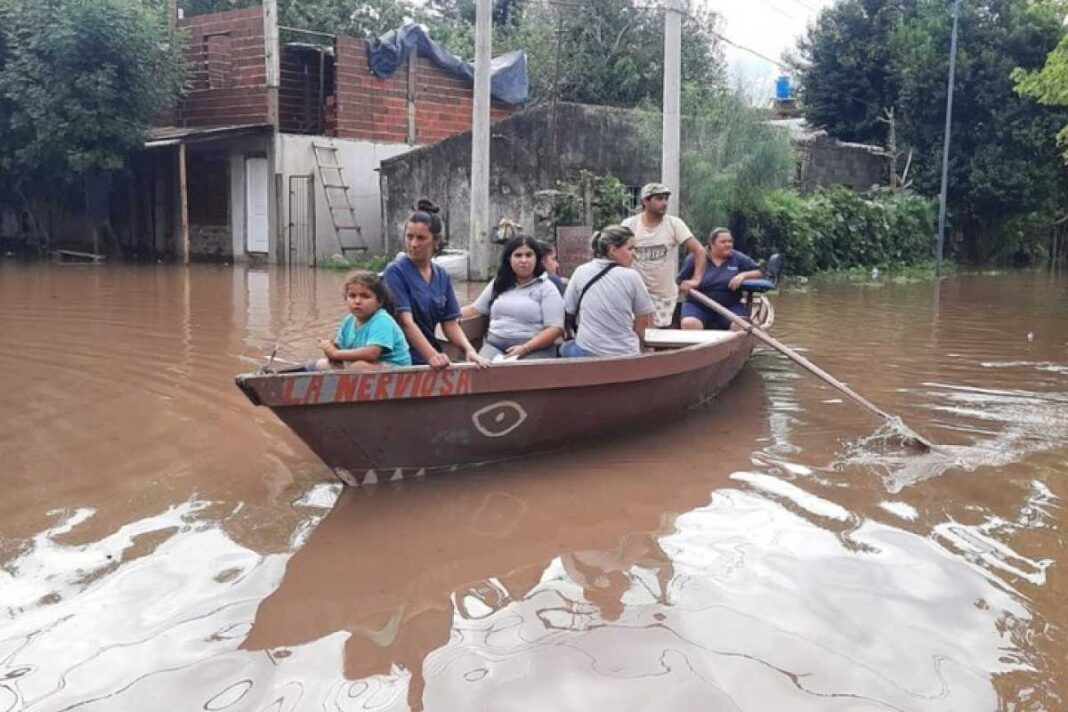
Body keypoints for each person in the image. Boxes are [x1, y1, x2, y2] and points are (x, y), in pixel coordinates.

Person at [383, 202, 490, 369]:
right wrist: (432, 356)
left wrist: (469, 349)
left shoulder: (441, 275)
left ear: (436, 240)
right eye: (409, 237)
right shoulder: (395, 272)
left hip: (429, 355)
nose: (413, 244)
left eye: (421, 238)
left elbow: (450, 323)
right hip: (400, 357)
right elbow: (406, 322)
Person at [462, 235, 565, 360]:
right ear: (509, 259)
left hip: (535, 348)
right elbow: (475, 309)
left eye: (528, 255)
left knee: (519, 376)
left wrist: (525, 348)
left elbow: (555, 328)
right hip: (495, 346)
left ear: (536, 258)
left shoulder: (546, 288)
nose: (524, 260)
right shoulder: (499, 283)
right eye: (518, 255)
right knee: (482, 372)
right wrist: (446, 316)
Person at [561, 225, 655, 358]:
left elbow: (568, 311)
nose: (634, 254)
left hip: (587, 351)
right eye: (630, 248)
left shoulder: (581, 271)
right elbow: (644, 320)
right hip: (625, 353)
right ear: (612, 250)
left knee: (564, 348)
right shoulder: (632, 277)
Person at [621, 183, 707, 328]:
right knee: (636, 334)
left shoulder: (674, 224)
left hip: (663, 295)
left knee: (658, 336)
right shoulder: (630, 225)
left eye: (666, 199)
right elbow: (615, 252)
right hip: (635, 294)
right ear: (645, 201)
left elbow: (699, 250)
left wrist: (696, 279)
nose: (664, 203)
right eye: (659, 199)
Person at [314, 271, 411, 371]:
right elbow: (341, 351)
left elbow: (371, 354)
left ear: (379, 301)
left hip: (396, 369)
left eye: (365, 296)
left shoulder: (382, 320)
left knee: (358, 367)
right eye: (352, 296)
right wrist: (330, 348)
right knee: (322, 364)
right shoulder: (348, 321)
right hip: (364, 364)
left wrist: (336, 353)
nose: (357, 301)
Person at [677, 227, 763, 331]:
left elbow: (759, 272)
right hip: (698, 306)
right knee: (689, 324)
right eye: (723, 242)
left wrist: (743, 275)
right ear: (712, 244)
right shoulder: (695, 258)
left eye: (730, 241)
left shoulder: (737, 257)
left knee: (741, 325)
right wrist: (686, 284)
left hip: (730, 307)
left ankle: (733, 346)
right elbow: (680, 281)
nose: (728, 245)